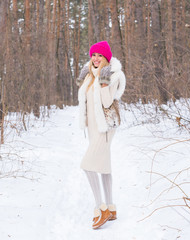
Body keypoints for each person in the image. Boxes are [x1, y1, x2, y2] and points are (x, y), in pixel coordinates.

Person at [77, 41, 126, 229]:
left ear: (107, 58)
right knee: (104, 167)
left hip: (105, 127)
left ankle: (101, 207)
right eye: (93, 55)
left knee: (87, 165)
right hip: (93, 128)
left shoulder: (113, 75)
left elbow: (107, 102)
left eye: (100, 55)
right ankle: (111, 208)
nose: (96, 58)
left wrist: (104, 82)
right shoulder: (89, 74)